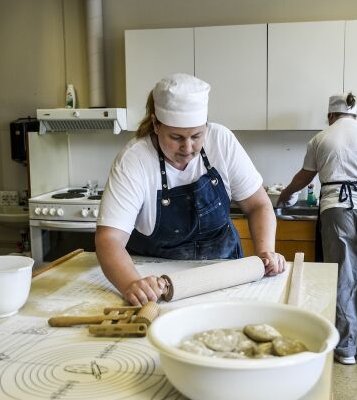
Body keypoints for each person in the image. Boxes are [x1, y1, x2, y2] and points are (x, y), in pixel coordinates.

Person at [96, 73, 286, 306]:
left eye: (196, 136)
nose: (188, 148)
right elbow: (109, 239)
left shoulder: (221, 140)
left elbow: (258, 205)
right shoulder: (134, 160)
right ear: (156, 124)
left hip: (222, 273)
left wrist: (265, 252)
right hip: (159, 282)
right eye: (176, 137)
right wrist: (131, 284)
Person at [278, 92, 357, 367]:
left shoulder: (320, 138)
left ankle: (345, 349)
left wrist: (286, 194)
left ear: (330, 116)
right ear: (355, 115)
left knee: (343, 281)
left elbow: (305, 176)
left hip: (335, 211)